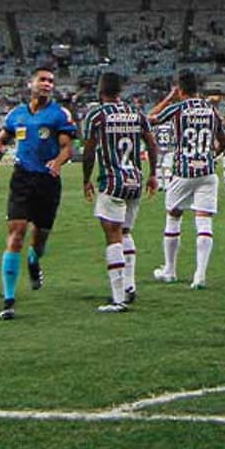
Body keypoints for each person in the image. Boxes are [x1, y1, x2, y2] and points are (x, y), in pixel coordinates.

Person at [0, 66, 77, 321]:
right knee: (16, 234)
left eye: (51, 81)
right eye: (43, 80)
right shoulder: (17, 115)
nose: (47, 84)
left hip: (48, 181)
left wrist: (58, 162)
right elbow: (3, 138)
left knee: (40, 238)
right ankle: (9, 299)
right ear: (31, 83)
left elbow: (69, 147)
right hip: (22, 178)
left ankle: (34, 260)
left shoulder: (59, 115)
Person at [81, 72, 158, 313]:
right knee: (125, 232)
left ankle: (118, 298)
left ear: (101, 89)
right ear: (120, 91)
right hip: (134, 181)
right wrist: (153, 174)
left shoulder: (96, 115)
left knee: (112, 236)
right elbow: (152, 144)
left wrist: (86, 179)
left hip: (112, 181)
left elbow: (89, 150)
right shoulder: (136, 113)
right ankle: (130, 285)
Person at [149, 69, 225, 290]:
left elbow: (149, 120)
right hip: (207, 172)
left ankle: (170, 270)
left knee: (173, 217)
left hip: (183, 172)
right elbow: (223, 141)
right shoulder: (211, 109)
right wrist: (212, 156)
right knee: (204, 221)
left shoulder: (178, 108)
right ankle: (200, 275)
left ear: (180, 89)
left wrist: (167, 99)